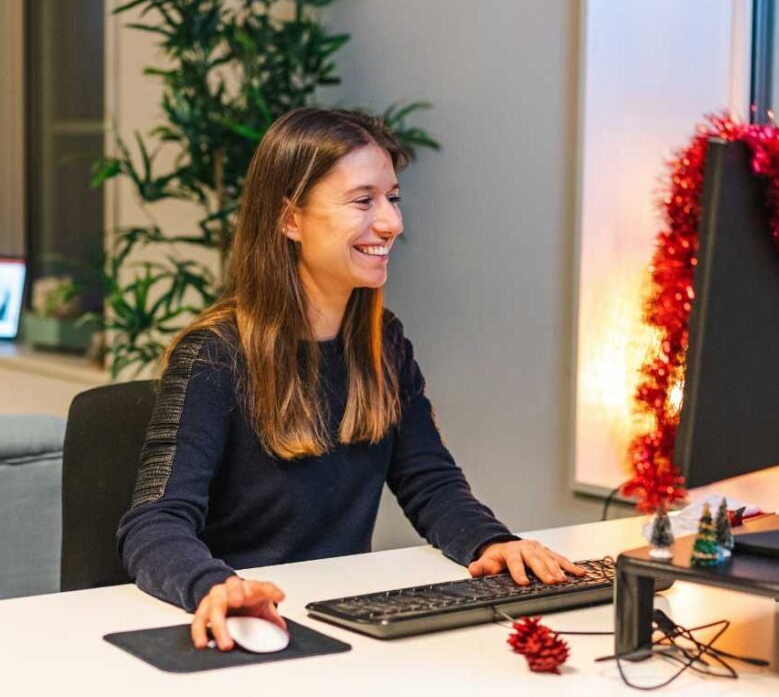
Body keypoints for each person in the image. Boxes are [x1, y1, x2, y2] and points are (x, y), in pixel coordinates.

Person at [117, 106, 585, 652]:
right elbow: (154, 524)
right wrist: (215, 586)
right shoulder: (215, 356)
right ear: (289, 218)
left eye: (393, 198)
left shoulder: (381, 342)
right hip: (239, 629)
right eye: (363, 201)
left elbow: (430, 483)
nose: (391, 222)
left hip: (338, 619)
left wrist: (493, 542)